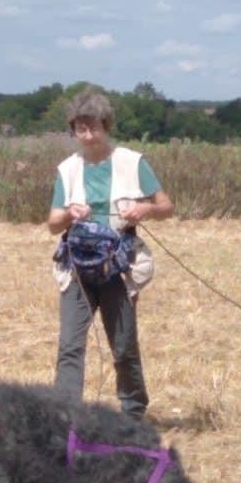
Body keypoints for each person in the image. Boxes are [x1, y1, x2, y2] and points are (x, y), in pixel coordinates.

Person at [48, 86, 174, 419]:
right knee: (70, 346)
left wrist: (143, 209)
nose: (88, 135)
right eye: (80, 128)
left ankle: (132, 414)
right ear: (73, 130)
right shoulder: (67, 169)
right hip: (78, 262)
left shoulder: (132, 162)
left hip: (119, 262)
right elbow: (52, 223)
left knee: (123, 346)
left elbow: (166, 206)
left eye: (94, 127)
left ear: (107, 126)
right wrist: (69, 214)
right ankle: (66, 417)